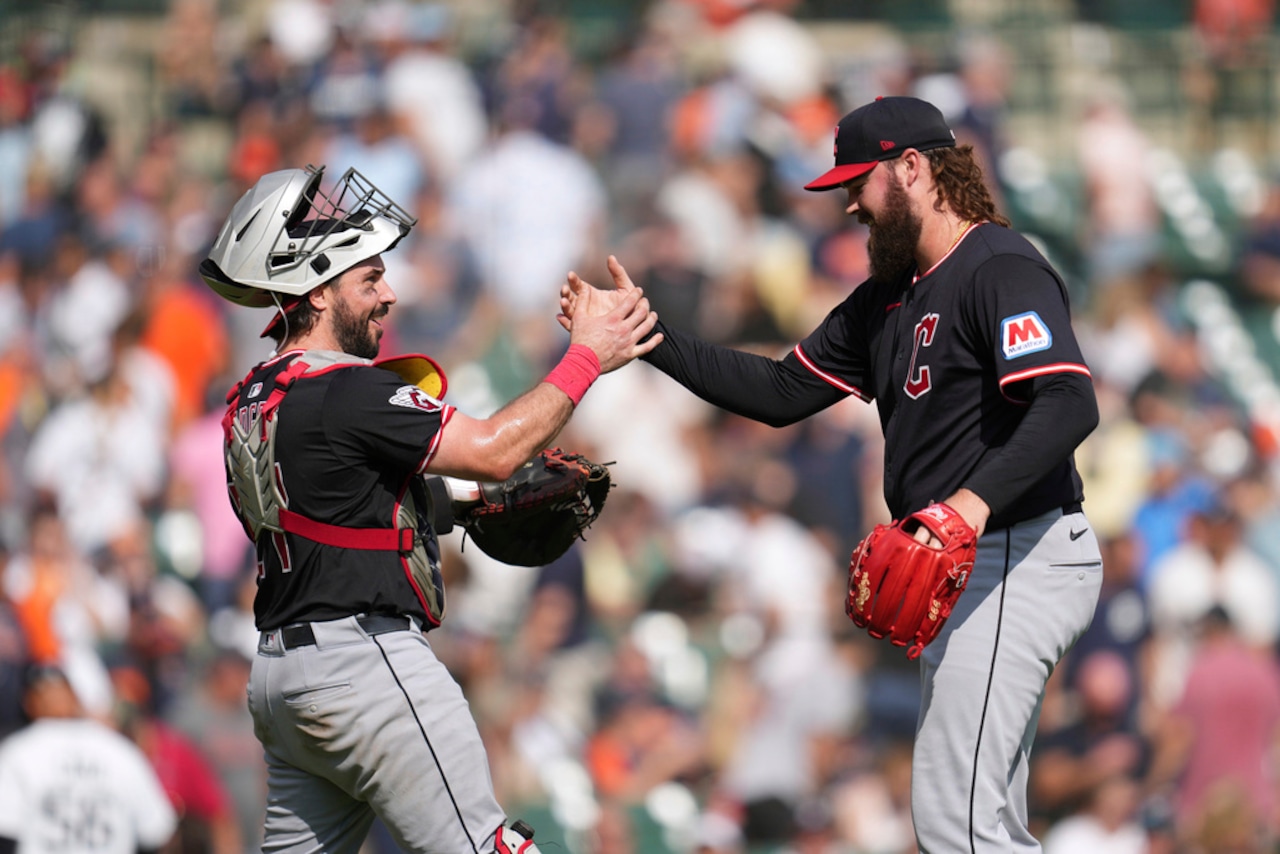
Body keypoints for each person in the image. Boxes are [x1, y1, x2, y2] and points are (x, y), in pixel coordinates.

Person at [562, 96, 1104, 851]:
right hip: (975, 563)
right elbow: (780, 394)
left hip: (1019, 549)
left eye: (859, 181)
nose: (848, 201)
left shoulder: (998, 267)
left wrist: (969, 509)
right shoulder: (887, 298)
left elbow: (1069, 401)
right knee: (983, 822)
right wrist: (646, 337)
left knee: (959, 824)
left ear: (912, 168)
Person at [197, 164, 660, 854]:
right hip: (366, 668)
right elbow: (496, 451)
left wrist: (459, 506)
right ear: (319, 293)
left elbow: (338, 506)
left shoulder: (255, 396)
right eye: (369, 278)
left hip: (283, 680)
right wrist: (588, 354)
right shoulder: (348, 391)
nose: (390, 293)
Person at [0, 664, 177, 854]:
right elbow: (156, 832)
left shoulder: (18, 751)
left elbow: (6, 833)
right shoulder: (119, 750)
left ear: (28, 703)